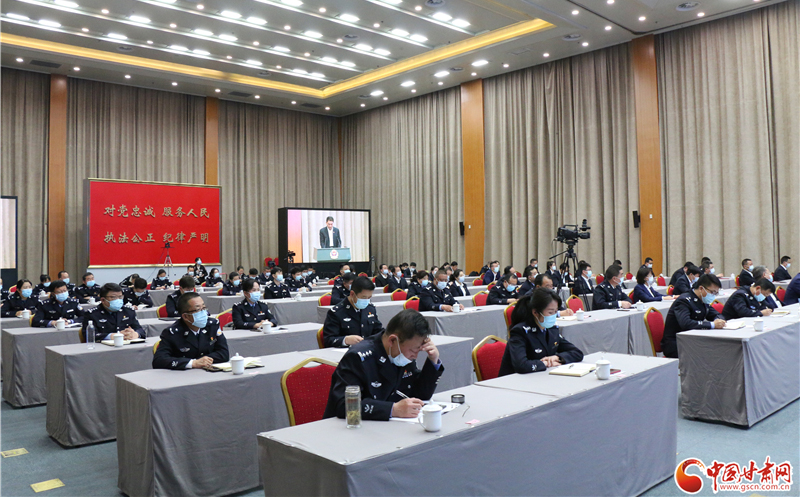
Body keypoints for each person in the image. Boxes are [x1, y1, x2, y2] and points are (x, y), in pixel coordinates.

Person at [323, 309, 443, 420]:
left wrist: (433, 360)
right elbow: (345, 405)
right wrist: (393, 409)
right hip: (351, 427)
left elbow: (420, 395)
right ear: (392, 340)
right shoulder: (358, 357)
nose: (415, 356)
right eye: (413, 350)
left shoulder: (401, 354)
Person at [498, 290, 584, 376]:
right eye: (550, 312)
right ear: (535, 312)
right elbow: (521, 365)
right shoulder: (520, 331)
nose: (553, 316)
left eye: (555, 312)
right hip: (515, 380)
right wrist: (545, 363)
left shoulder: (552, 329)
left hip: (541, 376)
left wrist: (557, 358)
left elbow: (577, 353)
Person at [153, 292, 229, 370]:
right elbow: (159, 361)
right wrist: (193, 363)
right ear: (185, 316)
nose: (203, 313)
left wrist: (202, 361)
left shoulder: (212, 325)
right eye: (198, 310)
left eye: (204, 308)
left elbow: (224, 354)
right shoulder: (172, 333)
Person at [661, 274, 726, 358]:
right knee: (712, 352)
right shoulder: (684, 301)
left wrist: (719, 321)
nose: (713, 295)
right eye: (712, 292)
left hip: (693, 340)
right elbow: (686, 323)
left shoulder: (703, 300)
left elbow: (717, 314)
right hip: (676, 343)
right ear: (701, 288)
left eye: (716, 293)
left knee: (719, 348)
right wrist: (712, 324)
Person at [322, 276, 383, 348]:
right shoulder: (336, 312)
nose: (366, 300)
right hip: (347, 351)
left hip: (367, 349)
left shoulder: (370, 309)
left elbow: (378, 330)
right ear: (352, 294)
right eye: (363, 297)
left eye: (369, 297)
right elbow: (328, 340)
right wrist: (345, 340)